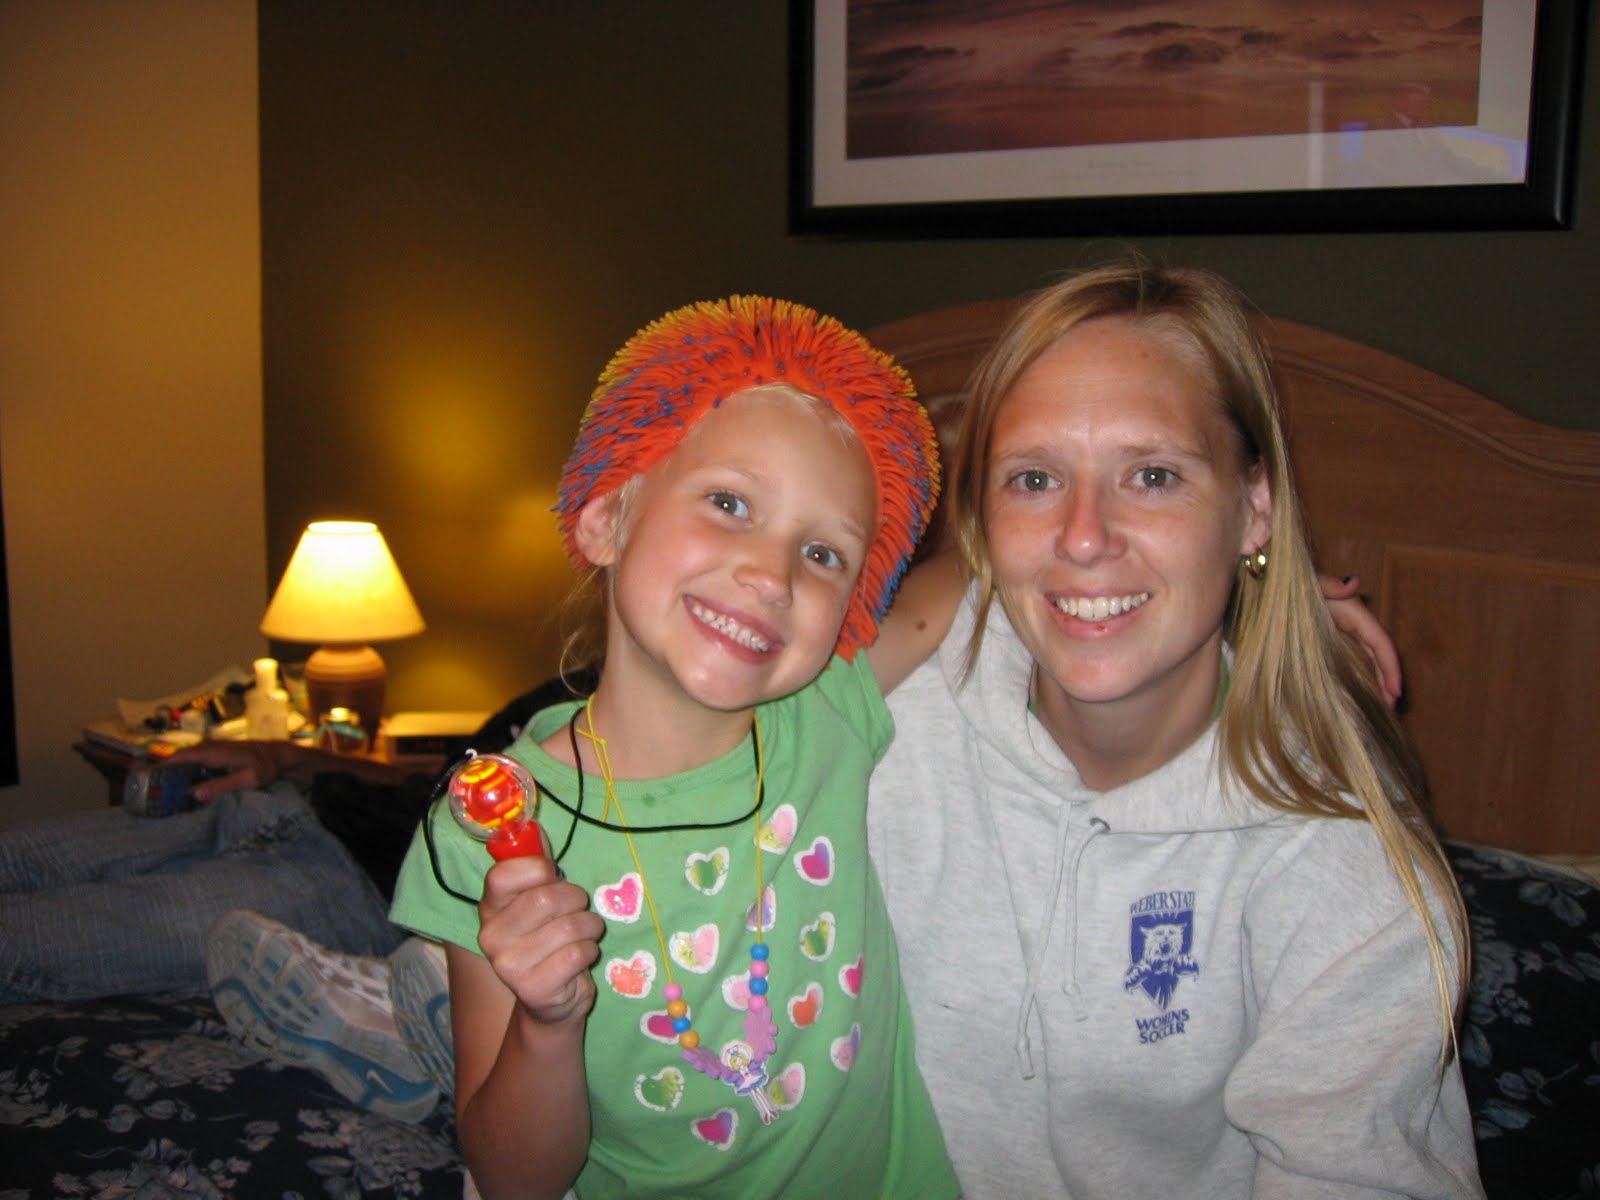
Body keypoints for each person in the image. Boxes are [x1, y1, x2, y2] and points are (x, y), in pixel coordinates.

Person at [866, 258, 1483, 1196]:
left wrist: (1254, 592)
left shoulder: (1340, 857)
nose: (1084, 536)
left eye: (1152, 476)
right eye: (1034, 479)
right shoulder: (880, 721)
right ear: (984, 522)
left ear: (1254, 508)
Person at [385, 296, 960, 1199]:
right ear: (605, 518)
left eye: (823, 555)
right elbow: (514, 1179)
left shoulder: (832, 710)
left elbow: (974, 575)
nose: (771, 574)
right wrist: (546, 1023)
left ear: (850, 612)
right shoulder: (489, 833)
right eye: (729, 503)